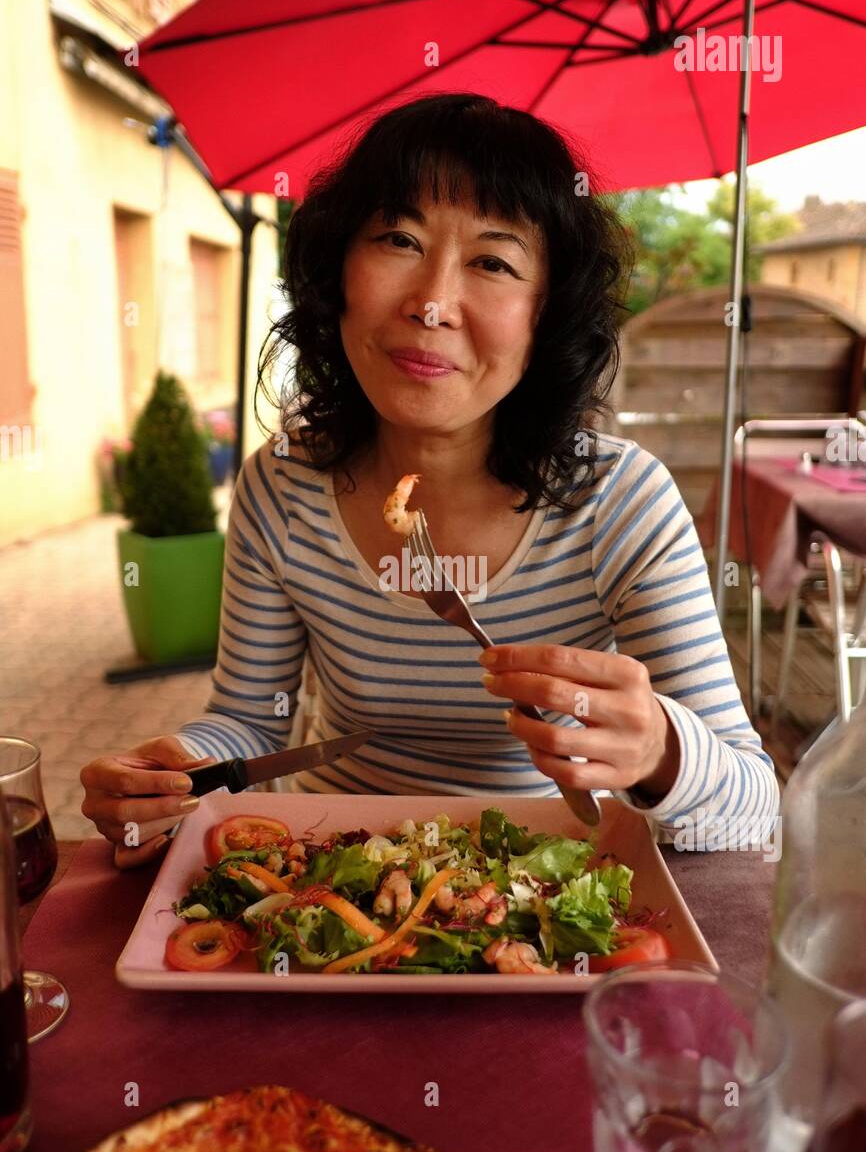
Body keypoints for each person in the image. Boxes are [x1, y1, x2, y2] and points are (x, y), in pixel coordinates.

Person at [80, 92, 779, 869]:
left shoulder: (619, 503)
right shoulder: (282, 484)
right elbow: (249, 723)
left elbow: (752, 810)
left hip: (539, 887)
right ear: (339, 270)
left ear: (545, 316)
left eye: (493, 262)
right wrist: (170, 775)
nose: (432, 304)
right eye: (398, 239)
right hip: (324, 868)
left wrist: (658, 753)